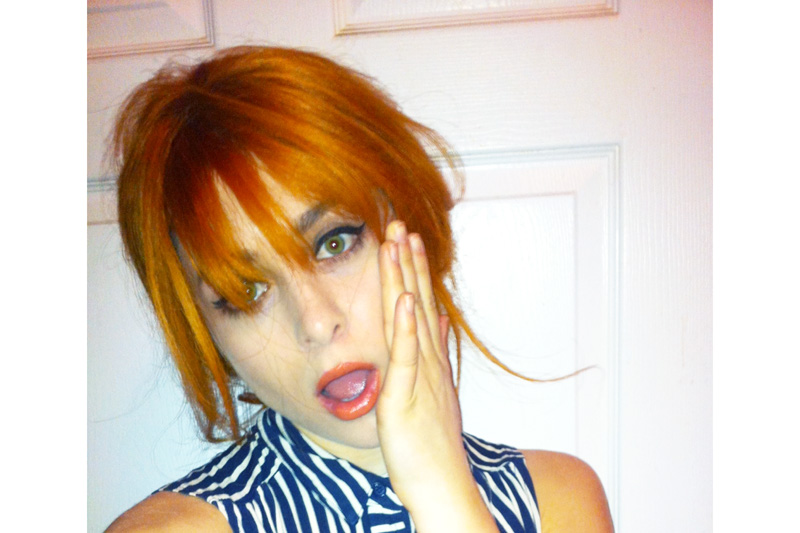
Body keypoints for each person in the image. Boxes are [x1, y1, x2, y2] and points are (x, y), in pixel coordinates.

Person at [105, 46, 613, 533]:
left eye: (335, 243)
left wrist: (443, 494)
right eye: (246, 292)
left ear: (409, 222)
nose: (316, 322)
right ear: (209, 336)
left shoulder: (556, 499)